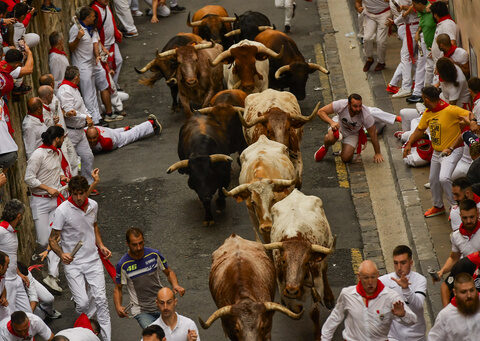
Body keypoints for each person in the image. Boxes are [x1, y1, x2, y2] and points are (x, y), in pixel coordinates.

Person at [49, 175, 112, 341]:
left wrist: (101, 245)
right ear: (70, 192)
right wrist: (62, 254)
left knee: (101, 301)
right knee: (83, 304)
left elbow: (94, 226)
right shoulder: (62, 211)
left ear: (86, 192)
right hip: (74, 265)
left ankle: (105, 338)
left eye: (82, 193)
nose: (78, 198)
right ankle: (86, 328)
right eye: (75, 194)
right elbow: (52, 239)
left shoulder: (93, 205)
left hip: (93, 261)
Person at [403, 86, 471, 217]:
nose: (423, 101)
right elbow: (419, 130)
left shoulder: (451, 110)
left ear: (427, 99)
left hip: (453, 150)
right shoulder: (428, 113)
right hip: (437, 151)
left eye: (423, 99)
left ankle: (454, 207)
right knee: (433, 180)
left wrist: (467, 122)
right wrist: (409, 143)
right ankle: (438, 206)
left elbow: (469, 115)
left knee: (444, 178)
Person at [24, 126, 71, 292]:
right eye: (62, 138)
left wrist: (62, 177)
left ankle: (52, 275)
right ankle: (48, 270)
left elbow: (55, 172)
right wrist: (47, 188)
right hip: (40, 203)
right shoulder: (38, 155)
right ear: (56, 138)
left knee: (56, 237)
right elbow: (29, 178)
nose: (63, 140)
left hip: (55, 201)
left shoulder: (56, 153)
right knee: (44, 241)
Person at [321, 260, 416, 340]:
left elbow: (412, 321)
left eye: (373, 277)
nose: (370, 282)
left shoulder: (391, 297)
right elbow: (335, 317)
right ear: (359, 277)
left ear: (378, 275)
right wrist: (325, 338)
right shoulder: (347, 294)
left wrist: (403, 314)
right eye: (366, 277)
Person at [114, 228, 185, 328]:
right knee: (153, 335)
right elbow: (118, 288)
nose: (139, 247)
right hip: (141, 311)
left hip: (161, 304)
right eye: (134, 244)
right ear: (127, 244)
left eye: (141, 243)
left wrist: (175, 285)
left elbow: (169, 272)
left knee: (172, 332)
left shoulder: (154, 255)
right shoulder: (123, 264)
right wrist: (118, 306)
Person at [69, 6, 121, 124]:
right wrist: (78, 38)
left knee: (94, 93)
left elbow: (95, 43)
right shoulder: (75, 29)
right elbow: (71, 48)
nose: (94, 18)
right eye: (93, 16)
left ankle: (99, 117)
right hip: (82, 65)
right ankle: (94, 120)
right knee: (88, 94)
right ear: (87, 17)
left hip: (92, 63)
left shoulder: (90, 29)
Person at [314, 93, 384, 163]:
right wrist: (332, 122)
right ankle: (325, 147)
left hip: (352, 133)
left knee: (345, 159)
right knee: (331, 138)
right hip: (339, 125)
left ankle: (347, 147)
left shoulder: (366, 115)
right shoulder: (341, 104)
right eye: (355, 106)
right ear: (348, 104)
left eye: (360, 106)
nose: (358, 109)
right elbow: (320, 112)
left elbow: (373, 134)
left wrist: (377, 153)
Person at [57, 66, 96, 187]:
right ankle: (72, 187)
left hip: (80, 130)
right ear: (76, 77)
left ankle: (88, 184)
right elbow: (70, 112)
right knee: (71, 162)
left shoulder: (74, 88)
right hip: (71, 132)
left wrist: (88, 116)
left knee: (88, 157)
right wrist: (85, 117)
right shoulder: (65, 90)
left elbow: (82, 106)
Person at [379, 245, 426, 341]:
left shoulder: (420, 280)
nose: (399, 267)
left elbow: (418, 305)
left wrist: (406, 289)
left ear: (411, 263)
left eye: (403, 263)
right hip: (393, 337)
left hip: (416, 336)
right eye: (396, 263)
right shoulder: (385, 280)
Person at [39, 79, 80, 176]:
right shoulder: (43, 108)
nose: (53, 96)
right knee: (67, 166)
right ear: (48, 95)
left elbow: (60, 113)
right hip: (59, 140)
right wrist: (54, 125)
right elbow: (47, 128)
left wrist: (65, 114)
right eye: (51, 94)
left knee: (74, 162)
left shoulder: (53, 100)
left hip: (65, 135)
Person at [0, 200, 31, 314]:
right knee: (9, 317)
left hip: (16, 279)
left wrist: (19, 274)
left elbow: (12, 256)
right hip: (6, 283)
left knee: (28, 315)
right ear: (19, 216)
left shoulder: (11, 230)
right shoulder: (1, 231)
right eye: (22, 216)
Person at [437, 199, 480, 281]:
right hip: (468, 278)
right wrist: (442, 271)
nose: (468, 221)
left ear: (477, 214)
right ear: (460, 216)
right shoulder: (456, 236)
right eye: (465, 218)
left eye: (472, 217)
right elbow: (454, 258)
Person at [429, 273, 480, 340]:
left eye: (472, 290)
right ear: (455, 292)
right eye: (463, 292)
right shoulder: (445, 315)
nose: (469, 295)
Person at [388, 1, 419, 99]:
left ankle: (406, 87)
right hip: (409, 26)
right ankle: (413, 84)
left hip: (413, 26)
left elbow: (415, 8)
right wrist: (395, 21)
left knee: (407, 57)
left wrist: (404, 9)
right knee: (412, 58)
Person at [407, 0, 437, 103]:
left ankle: (423, 93)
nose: (413, 7)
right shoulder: (422, 10)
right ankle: (419, 92)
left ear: (420, 4)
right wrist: (418, 32)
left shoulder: (432, 9)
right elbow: (422, 21)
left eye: (414, 5)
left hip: (433, 44)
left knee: (430, 68)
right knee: (422, 65)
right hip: (424, 39)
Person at [86, 115, 161, 153]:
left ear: (98, 135)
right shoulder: (84, 131)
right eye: (90, 138)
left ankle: (152, 123)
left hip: (115, 140)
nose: (92, 141)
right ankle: (126, 128)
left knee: (132, 135)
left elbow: (101, 151)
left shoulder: (107, 141)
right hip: (107, 131)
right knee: (113, 131)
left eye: (94, 138)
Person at [91, 0, 124, 85]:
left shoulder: (106, 7)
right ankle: (110, 86)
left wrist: (116, 31)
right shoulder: (95, 9)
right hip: (103, 44)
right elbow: (94, 29)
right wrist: (100, 46)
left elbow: (110, 22)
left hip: (111, 41)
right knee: (106, 67)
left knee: (118, 61)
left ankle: (114, 84)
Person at [355, 0, 391, 72]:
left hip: (384, 14)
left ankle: (381, 62)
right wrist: (358, 8)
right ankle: (369, 58)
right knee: (367, 38)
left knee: (381, 41)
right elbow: (357, 2)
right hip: (369, 15)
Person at [0, 251, 9, 321]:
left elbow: (3, 287)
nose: (8, 267)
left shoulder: (2, 273)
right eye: (7, 265)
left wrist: (3, 296)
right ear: (0, 267)